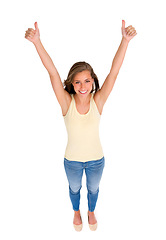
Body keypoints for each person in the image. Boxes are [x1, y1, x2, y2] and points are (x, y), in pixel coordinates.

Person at [25, 20, 137, 231]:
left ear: (93, 81)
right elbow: (53, 73)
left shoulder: (99, 100)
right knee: (75, 189)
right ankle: (76, 212)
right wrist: (37, 42)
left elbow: (114, 72)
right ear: (72, 84)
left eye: (87, 81)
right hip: (72, 161)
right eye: (77, 82)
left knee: (93, 189)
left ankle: (91, 211)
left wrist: (125, 41)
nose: (82, 86)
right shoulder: (66, 102)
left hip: (96, 160)